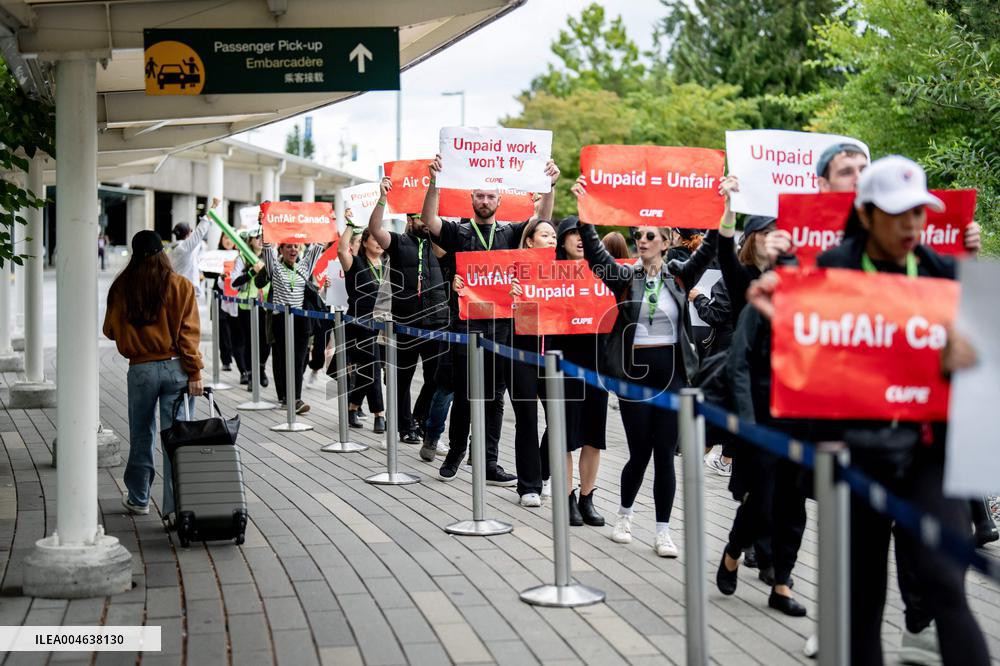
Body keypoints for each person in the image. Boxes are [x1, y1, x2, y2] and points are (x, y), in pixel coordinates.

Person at [748, 156, 990, 665]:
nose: (911, 225)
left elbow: (985, 361)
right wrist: (781, 313)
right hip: (855, 453)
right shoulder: (833, 268)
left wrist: (965, 358)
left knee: (947, 582)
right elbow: (809, 353)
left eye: (919, 213)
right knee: (861, 599)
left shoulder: (942, 272)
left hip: (929, 453)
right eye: (898, 213)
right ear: (866, 214)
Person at [573, 174, 717, 557]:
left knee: (665, 453)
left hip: (672, 375)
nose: (642, 239)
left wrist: (725, 207)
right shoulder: (625, 276)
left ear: (667, 242)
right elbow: (593, 254)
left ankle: (663, 531)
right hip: (635, 376)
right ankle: (624, 516)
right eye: (638, 234)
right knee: (639, 453)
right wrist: (585, 213)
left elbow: (710, 247)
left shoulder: (682, 276)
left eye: (651, 235)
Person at [420, 154, 560, 486]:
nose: (485, 200)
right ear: (472, 198)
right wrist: (434, 182)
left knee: (495, 397)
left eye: (490, 196)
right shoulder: (459, 232)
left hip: (502, 326)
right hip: (467, 325)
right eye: (480, 195)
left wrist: (549, 185)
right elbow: (428, 219)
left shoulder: (511, 234)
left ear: (500, 199)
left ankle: (488, 462)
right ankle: (455, 452)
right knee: (468, 394)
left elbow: (542, 218)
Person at [103, 230, 202, 524]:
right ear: (162, 253)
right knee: (176, 439)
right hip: (176, 369)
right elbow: (188, 335)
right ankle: (175, 509)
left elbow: (109, 330)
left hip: (141, 370)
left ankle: (139, 498)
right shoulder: (180, 285)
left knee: (141, 434)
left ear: (134, 255)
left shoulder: (122, 287)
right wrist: (194, 371)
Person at [536, 216, 610, 525]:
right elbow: (532, 316)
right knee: (564, 434)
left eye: (585, 234)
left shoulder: (606, 272)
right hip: (561, 362)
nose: (580, 239)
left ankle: (587, 498)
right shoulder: (547, 274)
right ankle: (565, 499)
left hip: (597, 362)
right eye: (573, 234)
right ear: (563, 240)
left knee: (594, 436)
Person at [368, 178, 450, 446]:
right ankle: (404, 426)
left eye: (428, 217)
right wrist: (382, 199)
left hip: (437, 322)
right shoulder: (399, 242)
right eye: (419, 217)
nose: (425, 222)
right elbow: (374, 229)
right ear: (409, 219)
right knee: (400, 379)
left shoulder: (440, 246)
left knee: (436, 379)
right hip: (404, 323)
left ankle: (420, 419)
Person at [505, 218, 558, 508]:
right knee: (527, 420)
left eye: (554, 235)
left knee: (558, 420)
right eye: (545, 234)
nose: (552, 239)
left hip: (553, 356)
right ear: (529, 241)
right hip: (520, 354)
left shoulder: (567, 272)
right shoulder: (513, 270)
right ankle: (529, 486)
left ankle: (545, 473)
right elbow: (483, 293)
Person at [253, 237, 323, 414]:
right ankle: (285, 396)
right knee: (284, 359)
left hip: (300, 320)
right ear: (281, 250)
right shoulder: (275, 267)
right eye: (289, 247)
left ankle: (296, 398)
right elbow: (267, 250)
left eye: (296, 247)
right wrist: (266, 228)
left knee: (299, 361)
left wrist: (322, 225)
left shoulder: (304, 267)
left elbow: (317, 246)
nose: (293, 250)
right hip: (280, 320)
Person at [338, 220, 387, 433]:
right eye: (374, 238)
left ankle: (353, 406)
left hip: (384, 325)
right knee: (373, 365)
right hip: (359, 324)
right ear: (365, 242)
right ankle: (379, 415)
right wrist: (350, 224)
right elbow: (341, 249)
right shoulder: (355, 263)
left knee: (369, 368)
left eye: (381, 239)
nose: (378, 243)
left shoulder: (388, 265)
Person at [231, 228, 270, 389]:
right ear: (250, 240)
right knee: (249, 342)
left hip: (266, 306)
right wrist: (252, 271)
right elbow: (234, 282)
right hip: (247, 306)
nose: (260, 240)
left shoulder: (270, 256)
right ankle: (251, 374)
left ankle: (260, 369)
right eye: (257, 237)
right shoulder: (241, 258)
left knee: (266, 342)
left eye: (263, 237)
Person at [169, 197, 219, 297]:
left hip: (179, 290)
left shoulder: (174, 249)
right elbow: (200, 232)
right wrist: (213, 207)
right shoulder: (185, 247)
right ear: (189, 233)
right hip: (184, 292)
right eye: (191, 231)